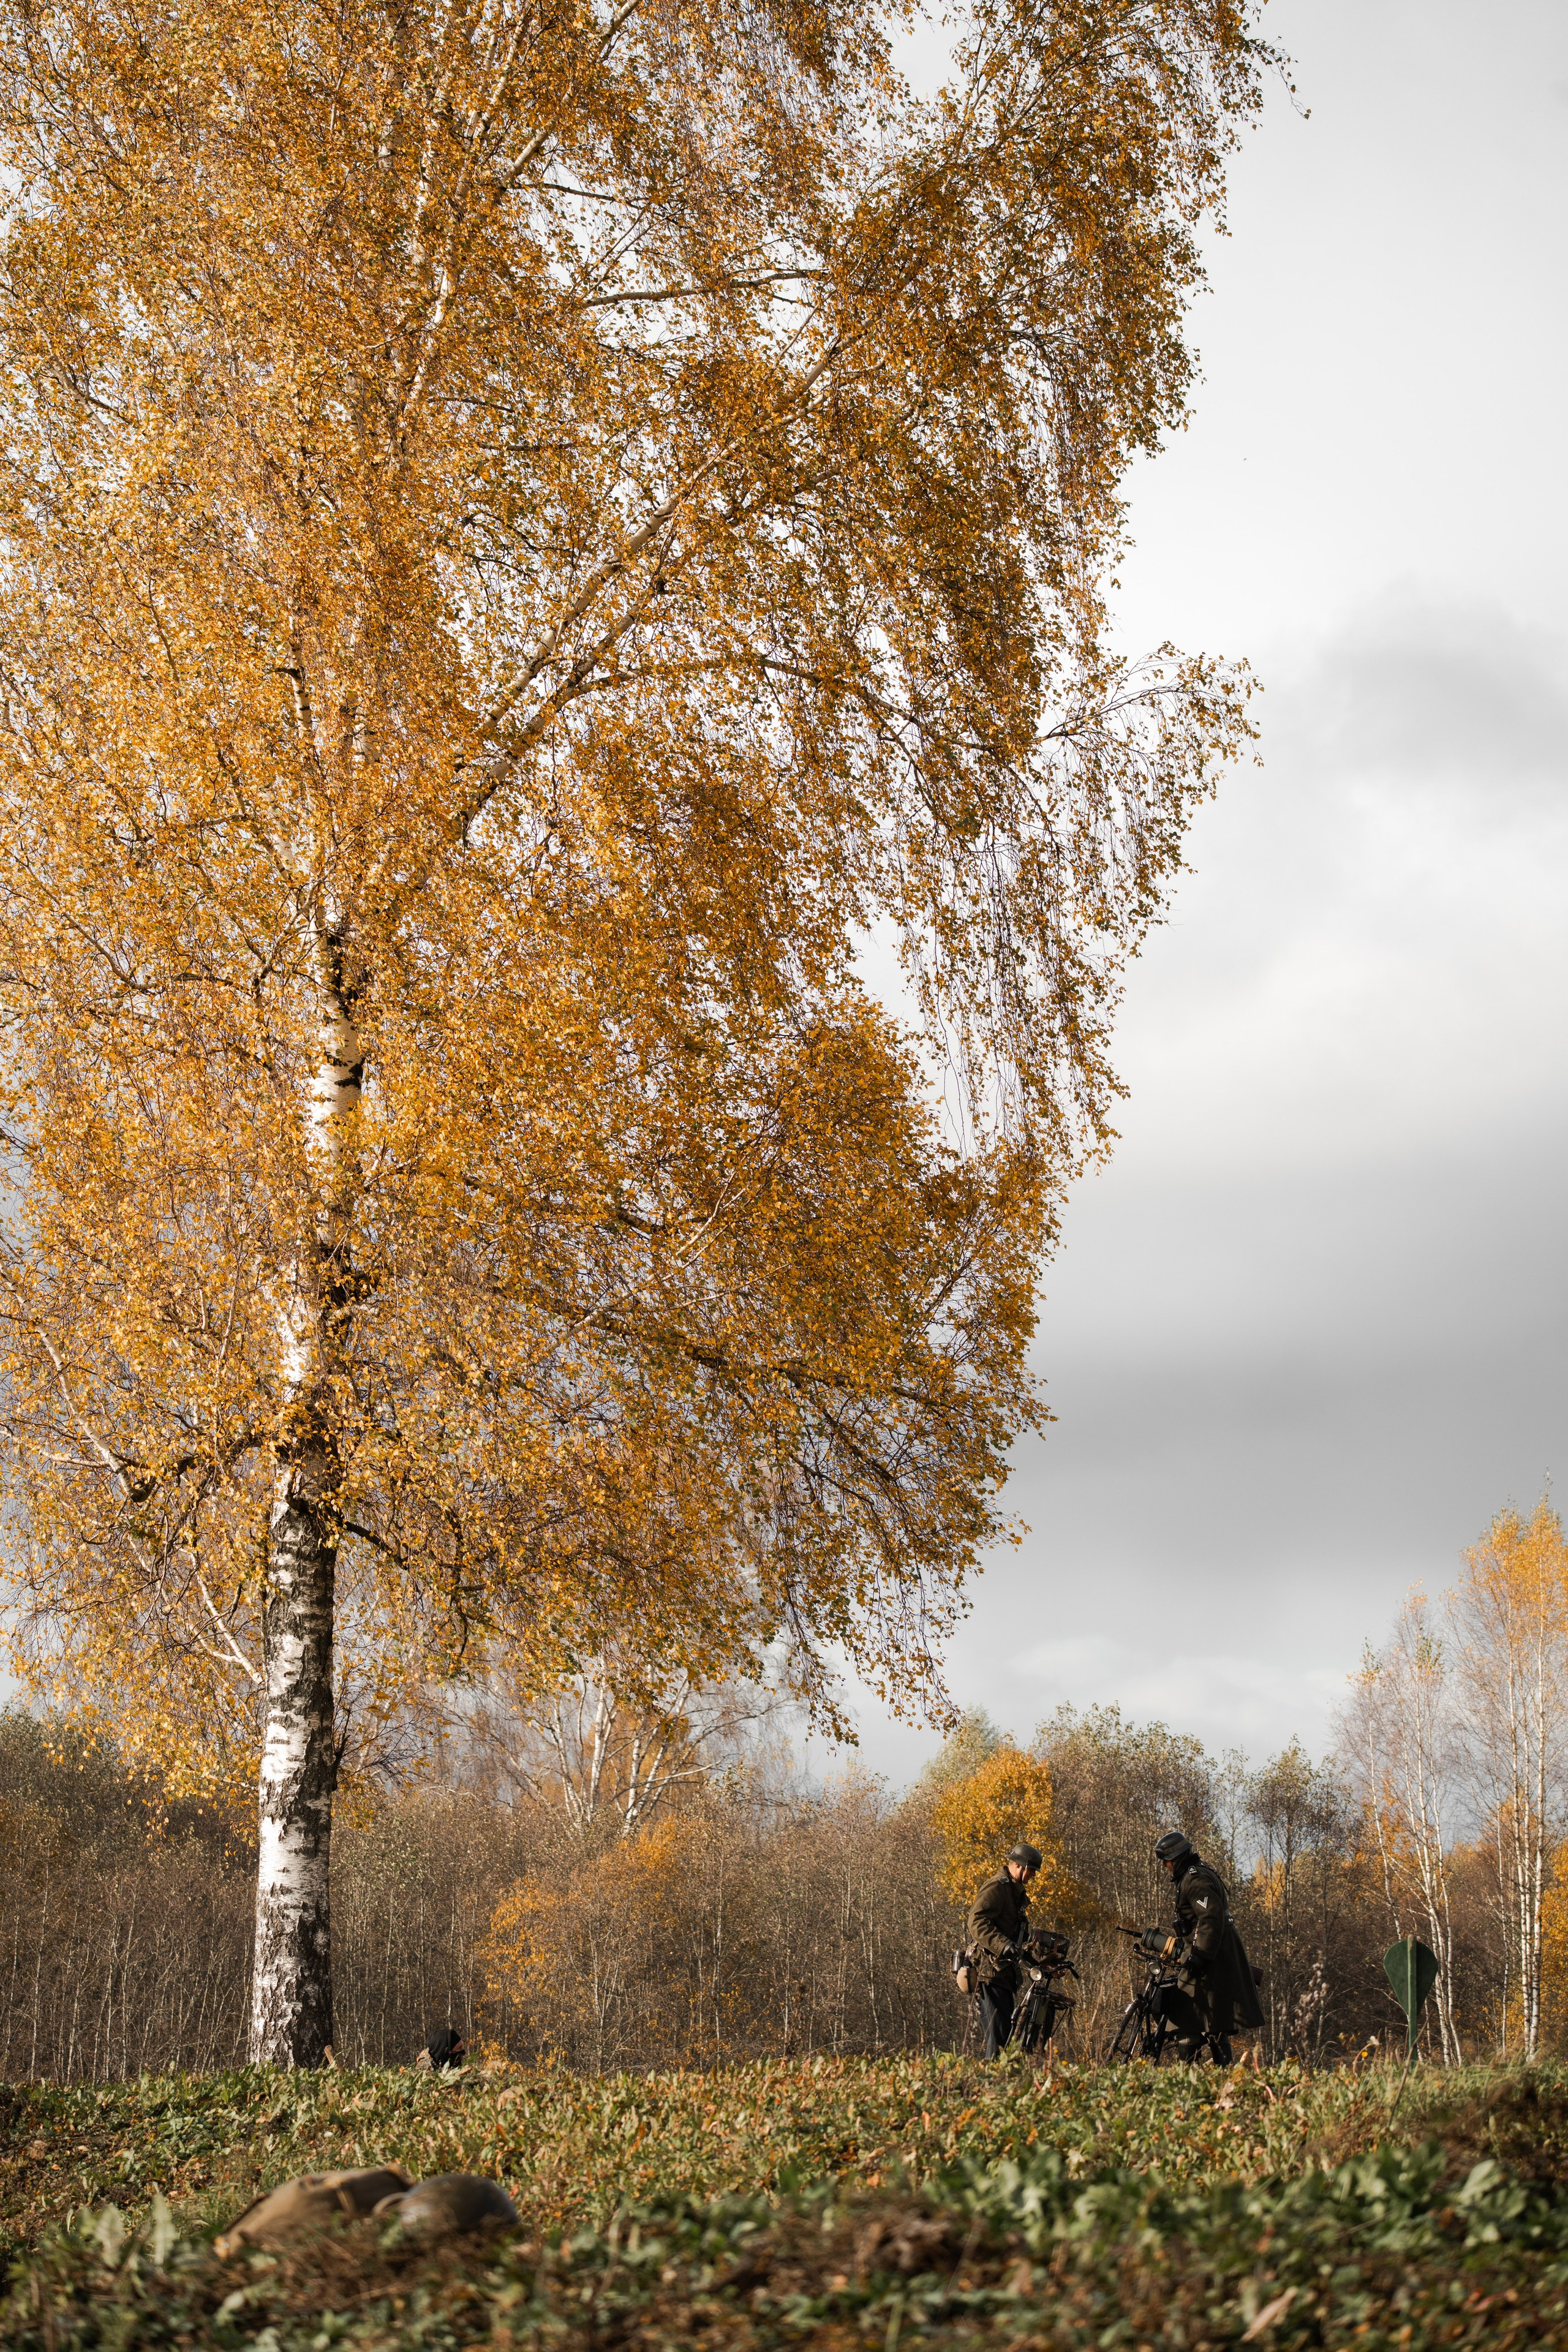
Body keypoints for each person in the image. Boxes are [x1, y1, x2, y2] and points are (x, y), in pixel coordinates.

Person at [1153, 1830, 1263, 2062]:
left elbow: (1211, 1918)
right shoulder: (1199, 1871)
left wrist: (1199, 1955)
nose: (1166, 1867)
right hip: (1215, 1952)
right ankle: (1222, 2070)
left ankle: (1189, 2075)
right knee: (1214, 2019)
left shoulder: (1194, 1879)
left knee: (1184, 2012)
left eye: (1167, 1862)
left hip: (1212, 1954)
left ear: (1178, 1858)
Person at [966, 1841, 1042, 2057]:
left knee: (1005, 2037)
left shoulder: (1014, 1891)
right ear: (1021, 1867)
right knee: (999, 2038)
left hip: (1004, 1974)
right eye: (1032, 1872)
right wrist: (1003, 1945)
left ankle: (999, 2081)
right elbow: (976, 1921)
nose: (1033, 1877)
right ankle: (991, 2085)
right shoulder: (998, 1886)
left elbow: (1019, 1936)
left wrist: (1042, 1956)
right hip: (989, 1972)